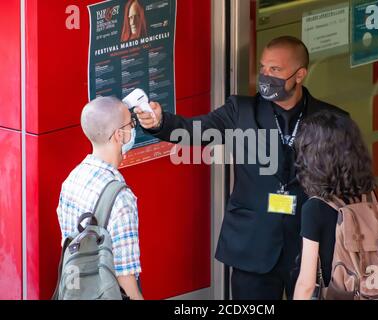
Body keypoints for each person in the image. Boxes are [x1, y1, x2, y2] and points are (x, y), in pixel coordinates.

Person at [135, 36, 348, 300]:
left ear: (300, 74)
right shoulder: (241, 111)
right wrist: (159, 122)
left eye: (276, 70)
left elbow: (347, 183)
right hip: (252, 245)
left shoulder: (333, 120)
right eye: (263, 68)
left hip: (309, 246)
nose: (266, 76)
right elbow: (193, 132)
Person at [57, 96, 144, 300]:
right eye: (131, 124)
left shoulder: (72, 179)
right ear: (118, 135)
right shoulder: (121, 198)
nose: (133, 129)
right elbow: (125, 277)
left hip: (75, 292)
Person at [293, 111, 376, 300]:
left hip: (340, 293)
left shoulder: (315, 209)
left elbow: (306, 283)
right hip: (373, 291)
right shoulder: (369, 196)